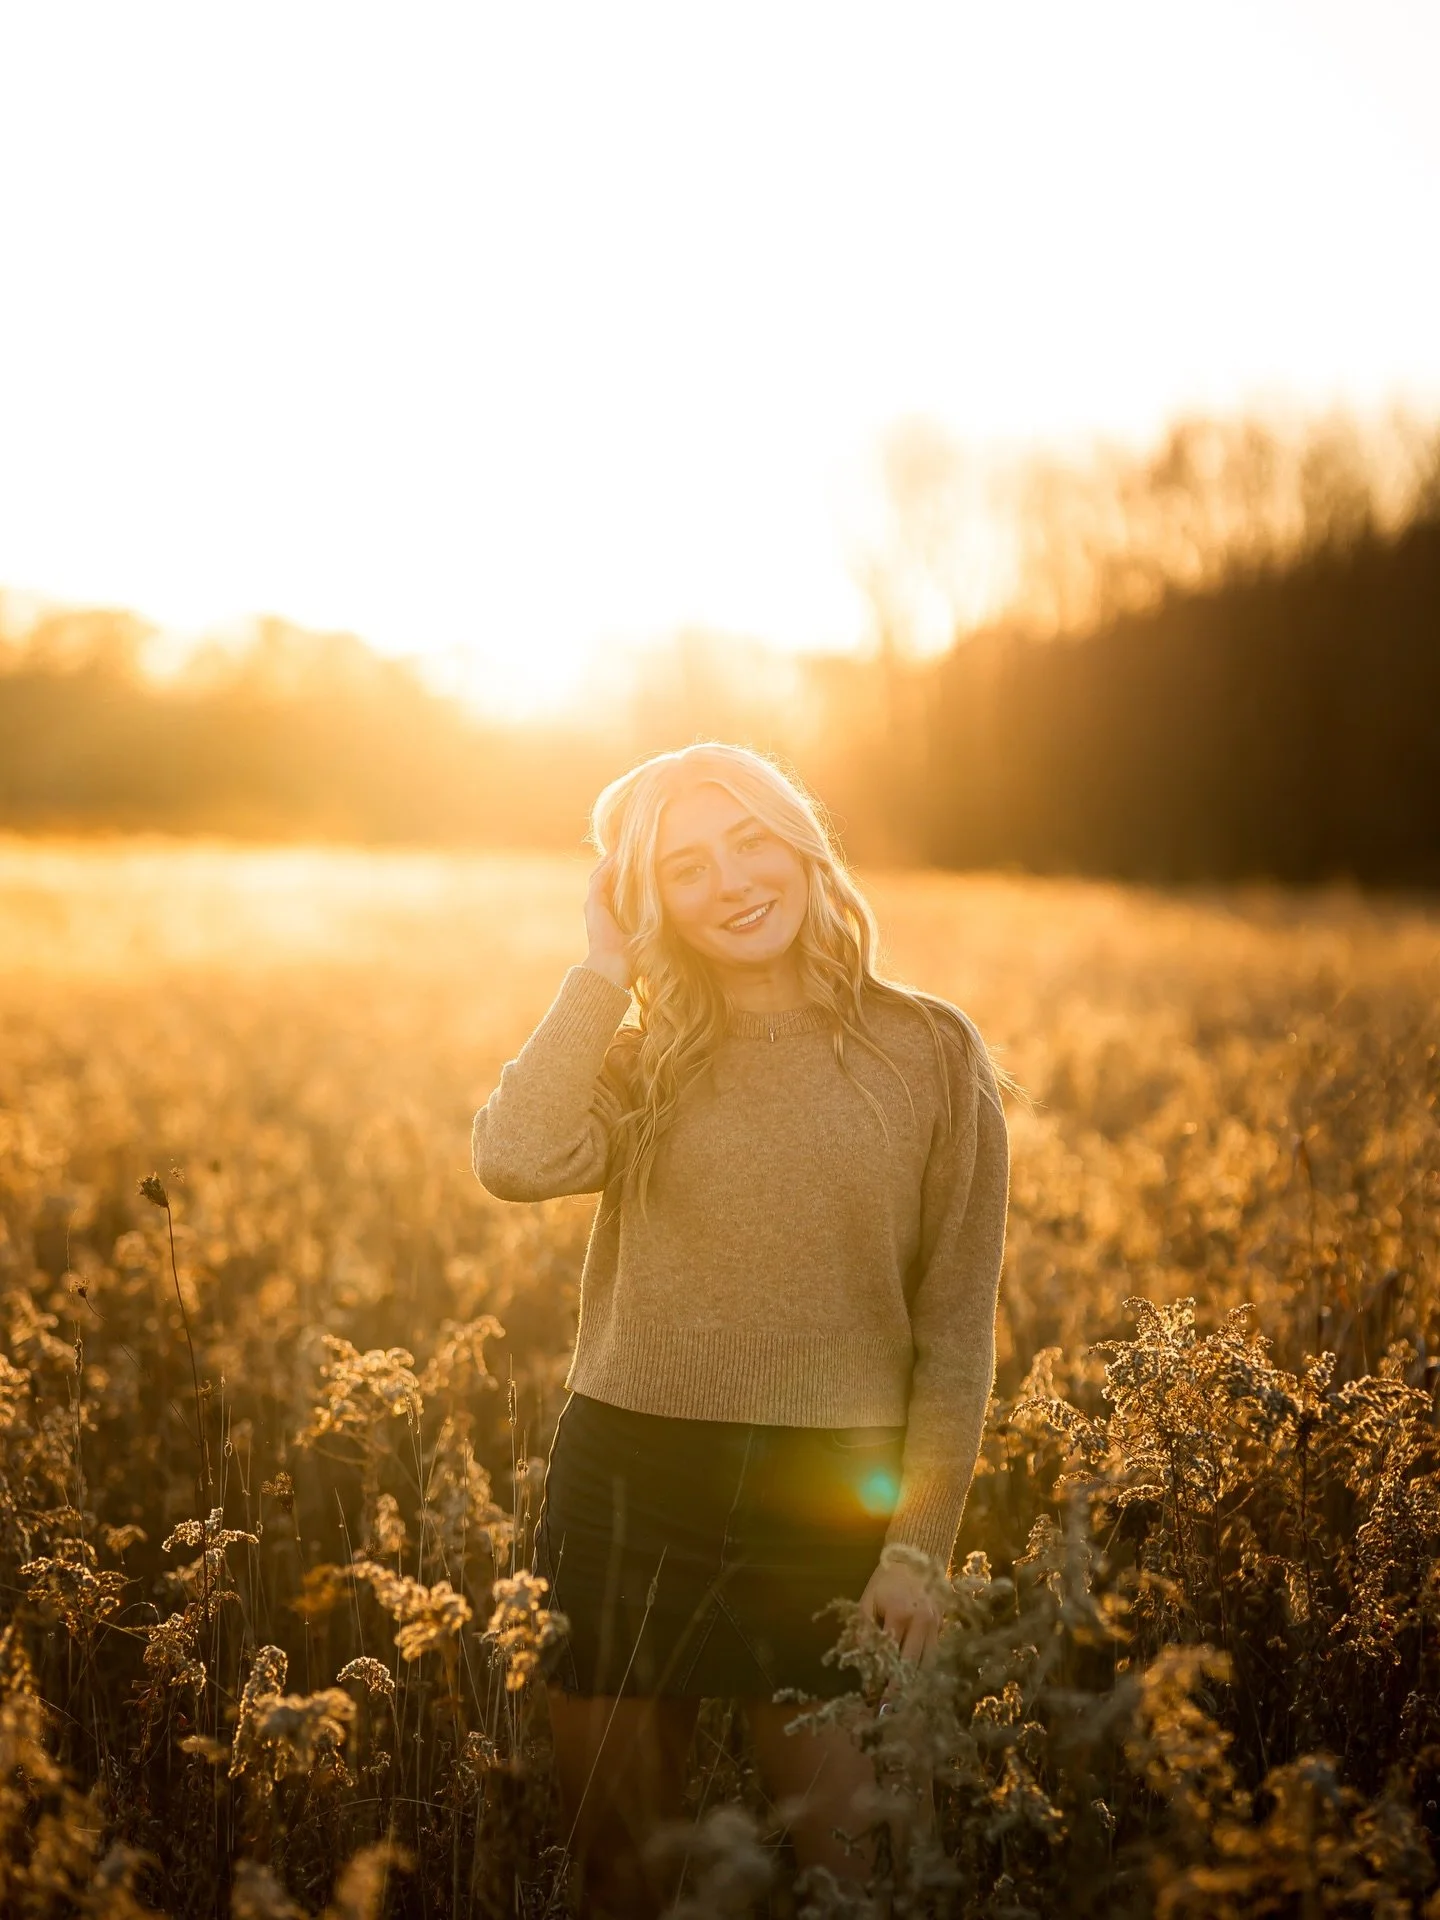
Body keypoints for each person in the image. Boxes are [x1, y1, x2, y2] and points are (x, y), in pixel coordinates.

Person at [471, 741, 1012, 1917]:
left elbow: (957, 1332)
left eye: (751, 840)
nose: (732, 882)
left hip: (828, 1505)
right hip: (631, 1481)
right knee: (623, 1878)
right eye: (685, 868)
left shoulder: (931, 1053)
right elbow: (511, 1155)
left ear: (802, 843)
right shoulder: (646, 1062)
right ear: (650, 901)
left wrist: (917, 1548)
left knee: (852, 1881)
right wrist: (601, 969)